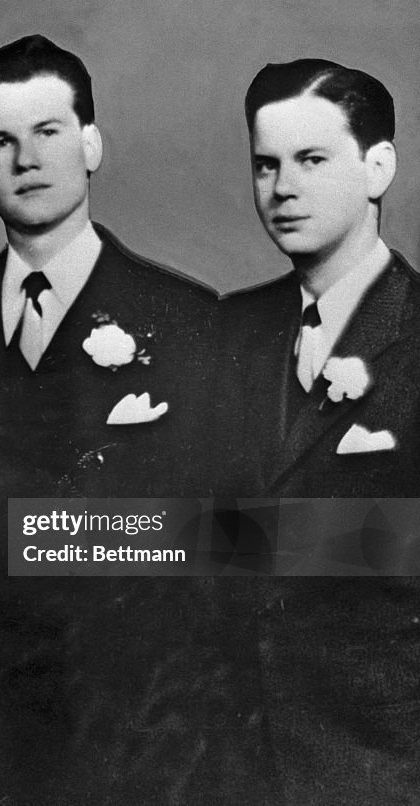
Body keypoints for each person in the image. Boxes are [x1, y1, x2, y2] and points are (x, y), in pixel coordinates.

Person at [0, 35, 219, 805]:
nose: (25, 160)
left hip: (134, 728)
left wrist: (29, 533)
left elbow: (213, 536)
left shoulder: (187, 319)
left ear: (90, 144)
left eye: (47, 133)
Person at [213, 60, 420, 803]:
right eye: (265, 165)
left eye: (310, 160)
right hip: (232, 763)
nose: (283, 188)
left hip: (382, 765)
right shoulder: (226, 329)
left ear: (377, 167)